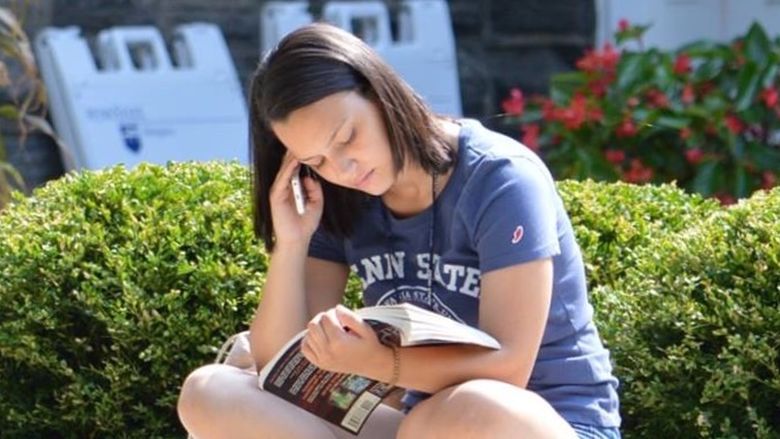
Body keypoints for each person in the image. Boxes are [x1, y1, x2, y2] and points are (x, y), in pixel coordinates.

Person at [177, 22, 621, 439]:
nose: (343, 168)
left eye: (347, 137)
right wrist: (291, 243)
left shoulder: (501, 179)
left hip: (530, 421)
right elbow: (278, 365)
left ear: (380, 92)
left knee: (472, 405)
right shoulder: (342, 196)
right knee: (211, 391)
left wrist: (378, 363)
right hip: (419, 423)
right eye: (317, 162)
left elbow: (508, 371)